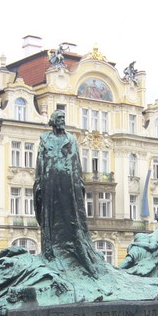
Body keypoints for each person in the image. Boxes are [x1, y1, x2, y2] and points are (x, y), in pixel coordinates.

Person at [34, 109, 105, 275]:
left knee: (71, 214)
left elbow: (76, 161)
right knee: (51, 215)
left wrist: (78, 180)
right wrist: (38, 181)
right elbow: (40, 161)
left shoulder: (71, 139)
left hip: (68, 180)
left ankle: (76, 250)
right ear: (52, 120)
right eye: (59, 117)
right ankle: (51, 250)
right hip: (50, 179)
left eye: (63, 117)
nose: (62, 120)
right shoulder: (45, 138)